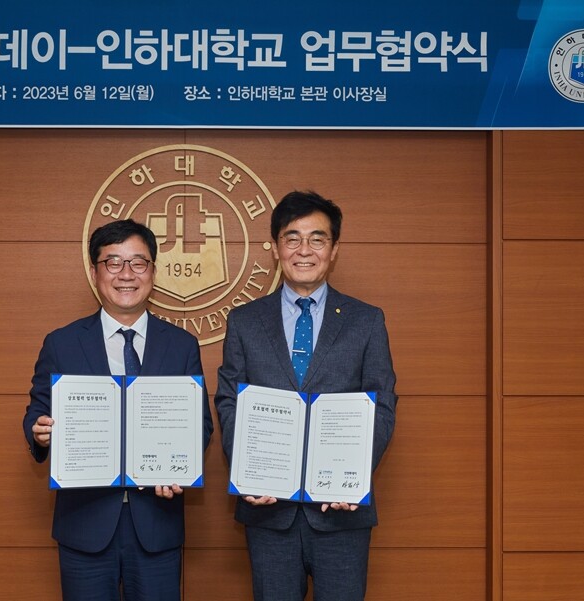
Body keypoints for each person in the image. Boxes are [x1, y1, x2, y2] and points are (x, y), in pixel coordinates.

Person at [215, 190, 397, 601]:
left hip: (342, 514)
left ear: (334, 250)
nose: (304, 250)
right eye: (292, 238)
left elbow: (382, 405)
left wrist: (351, 478)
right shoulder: (245, 321)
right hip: (268, 511)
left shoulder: (366, 320)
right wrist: (247, 473)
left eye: (317, 239)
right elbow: (229, 402)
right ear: (276, 247)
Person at [23, 219, 213, 601]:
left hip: (156, 524)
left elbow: (200, 424)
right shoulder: (61, 343)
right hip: (84, 523)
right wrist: (38, 431)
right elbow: (38, 409)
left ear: (153, 272)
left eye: (138, 263)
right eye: (113, 262)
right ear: (95, 272)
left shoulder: (181, 345)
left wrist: (180, 464)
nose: (126, 274)